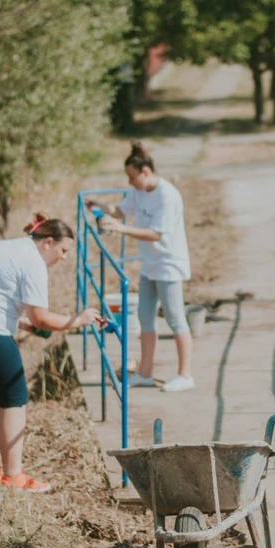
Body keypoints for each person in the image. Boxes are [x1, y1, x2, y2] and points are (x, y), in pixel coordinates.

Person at [0, 213, 103, 493]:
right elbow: (41, 318)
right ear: (47, 242)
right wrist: (79, 320)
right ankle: (14, 477)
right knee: (14, 400)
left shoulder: (4, 247)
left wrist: (21, 323)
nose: (63, 258)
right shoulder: (33, 262)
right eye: (63, 251)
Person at [87, 142, 194, 392]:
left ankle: (185, 374)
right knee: (145, 317)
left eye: (132, 177)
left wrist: (121, 229)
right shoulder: (139, 191)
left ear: (145, 172)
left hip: (169, 264)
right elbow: (122, 211)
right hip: (150, 265)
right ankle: (145, 372)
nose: (130, 182)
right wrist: (101, 207)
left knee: (175, 319)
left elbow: (157, 234)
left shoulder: (167, 196)